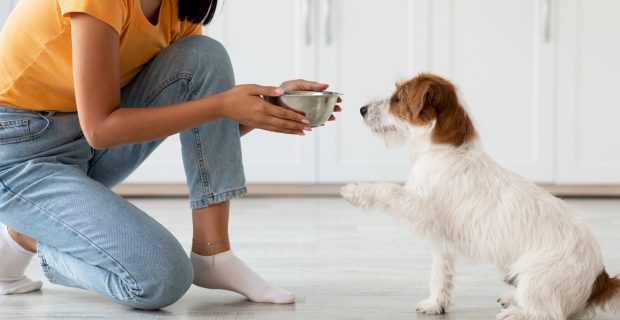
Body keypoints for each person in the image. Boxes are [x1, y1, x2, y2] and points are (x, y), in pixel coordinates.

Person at [0, 0, 340, 310]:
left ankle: (213, 253)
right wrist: (222, 105)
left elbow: (202, 129)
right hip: (18, 151)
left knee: (204, 56)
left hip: (82, 140)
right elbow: (101, 129)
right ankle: (29, 236)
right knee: (161, 279)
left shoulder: (176, 9)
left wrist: (264, 111)